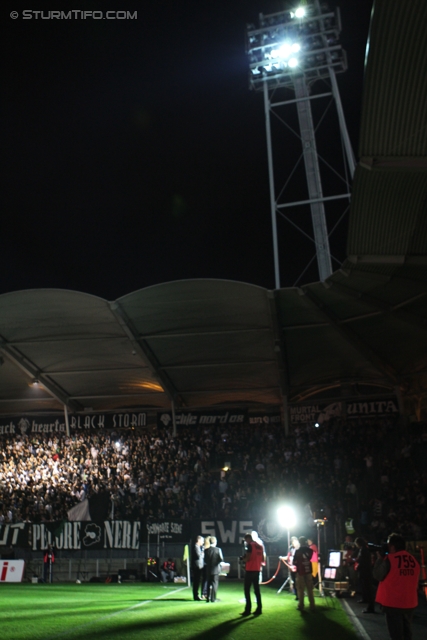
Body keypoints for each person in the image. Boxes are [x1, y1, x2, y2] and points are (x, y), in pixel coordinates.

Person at [374, 532, 420, 640]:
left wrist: (379, 559)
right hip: (410, 602)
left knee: (396, 635)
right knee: (407, 634)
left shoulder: (390, 559)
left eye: (388, 545)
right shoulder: (413, 559)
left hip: (393, 603)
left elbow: (377, 575)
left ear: (393, 547)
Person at [241, 533, 264, 616]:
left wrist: (243, 559)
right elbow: (262, 558)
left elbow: (248, 558)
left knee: (247, 590)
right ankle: (259, 608)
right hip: (257, 569)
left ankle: (248, 609)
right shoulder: (260, 546)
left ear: (247, 539)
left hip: (250, 569)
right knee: (257, 590)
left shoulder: (250, 545)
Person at [293, 536, 315, 612]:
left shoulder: (297, 551)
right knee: (310, 589)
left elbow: (294, 562)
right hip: (308, 570)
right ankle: (312, 605)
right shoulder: (310, 551)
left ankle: (301, 605)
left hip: (300, 572)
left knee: (300, 589)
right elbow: (310, 557)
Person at [354, 537, 375, 613]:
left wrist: (357, 562)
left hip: (365, 571)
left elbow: (361, 560)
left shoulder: (363, 550)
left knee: (367, 588)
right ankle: (366, 600)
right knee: (365, 587)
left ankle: (370, 607)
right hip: (366, 571)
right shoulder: (365, 549)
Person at [204, 536, 224, 603]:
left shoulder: (206, 550)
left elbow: (205, 559)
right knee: (215, 584)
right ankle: (213, 598)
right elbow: (221, 559)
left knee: (208, 583)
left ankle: (208, 598)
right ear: (215, 542)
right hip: (215, 569)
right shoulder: (218, 549)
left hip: (208, 569)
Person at [192, 535, 205, 601]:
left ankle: (196, 595)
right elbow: (198, 555)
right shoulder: (196, 547)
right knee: (196, 582)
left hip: (199, 567)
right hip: (197, 567)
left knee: (198, 581)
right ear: (199, 540)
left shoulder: (197, 547)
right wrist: (202, 552)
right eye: (202, 541)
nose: (203, 542)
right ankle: (195, 595)